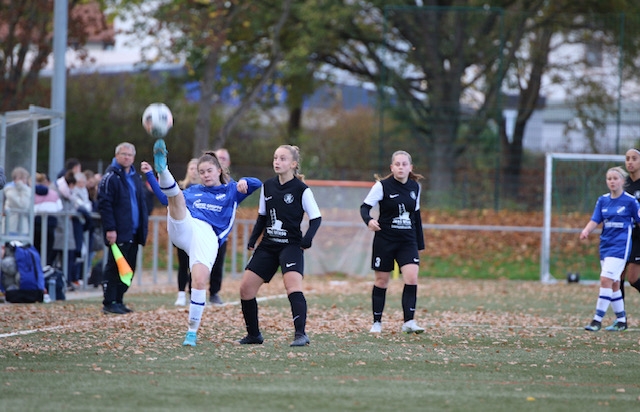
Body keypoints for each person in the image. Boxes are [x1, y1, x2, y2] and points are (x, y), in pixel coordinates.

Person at [150, 139, 261, 346]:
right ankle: (163, 168)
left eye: (209, 171)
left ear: (219, 170)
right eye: (202, 172)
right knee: (176, 199)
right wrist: (152, 175)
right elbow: (166, 199)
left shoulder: (231, 190)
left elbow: (257, 184)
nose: (205, 175)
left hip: (208, 236)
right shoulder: (193, 191)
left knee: (199, 281)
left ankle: (191, 332)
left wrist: (245, 181)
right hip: (186, 227)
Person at [237, 145, 322, 347]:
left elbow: (316, 218)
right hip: (268, 245)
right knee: (246, 289)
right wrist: (253, 239)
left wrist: (307, 239)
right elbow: (262, 216)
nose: (277, 162)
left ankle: (300, 334)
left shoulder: (302, 189)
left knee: (292, 287)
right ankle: (254, 335)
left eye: (283, 158)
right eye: (275, 158)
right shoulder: (267, 186)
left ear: (293, 164)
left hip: (291, 246)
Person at [360, 150, 426, 334]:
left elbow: (416, 216)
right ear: (392, 167)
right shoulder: (382, 186)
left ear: (410, 167)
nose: (401, 167)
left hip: (407, 241)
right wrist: (369, 221)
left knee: (412, 277)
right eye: (397, 164)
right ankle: (377, 322)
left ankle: (409, 322)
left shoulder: (415, 187)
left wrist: (419, 244)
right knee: (381, 281)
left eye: (404, 164)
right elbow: (364, 208)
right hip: (385, 240)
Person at [581, 166, 640, 332]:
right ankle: (621, 321)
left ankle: (596, 320)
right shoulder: (602, 200)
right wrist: (586, 230)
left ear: (622, 181)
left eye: (615, 178)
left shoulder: (630, 201)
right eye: (609, 179)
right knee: (614, 284)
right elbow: (595, 219)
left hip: (621, 247)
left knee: (605, 279)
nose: (612, 181)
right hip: (605, 246)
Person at [97, 142, 149, 315]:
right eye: (123, 154)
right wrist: (110, 228)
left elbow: (141, 203)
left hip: (134, 231)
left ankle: (119, 300)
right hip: (119, 231)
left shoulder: (136, 177)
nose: (127, 157)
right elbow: (105, 205)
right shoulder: (110, 177)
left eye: (130, 155)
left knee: (129, 268)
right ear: (117, 155)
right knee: (114, 267)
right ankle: (109, 301)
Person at [174, 158, 199, 306]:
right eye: (192, 168)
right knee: (183, 264)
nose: (194, 172)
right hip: (184, 231)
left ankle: (192, 293)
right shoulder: (181, 187)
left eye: (197, 169)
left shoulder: (204, 189)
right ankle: (181, 294)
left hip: (197, 232)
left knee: (195, 265)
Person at [209, 148, 232, 305]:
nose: (221, 160)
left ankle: (214, 292)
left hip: (221, 232)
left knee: (218, 263)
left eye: (223, 158)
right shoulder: (206, 181)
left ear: (228, 162)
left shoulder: (231, 184)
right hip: (204, 229)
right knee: (199, 262)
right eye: (218, 158)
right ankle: (193, 291)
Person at [34, 172, 63, 266]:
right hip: (50, 224)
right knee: (48, 250)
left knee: (36, 248)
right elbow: (59, 208)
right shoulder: (53, 193)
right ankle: (45, 268)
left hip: (36, 223)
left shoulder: (32, 193)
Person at [4, 166, 31, 236]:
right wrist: (23, 188)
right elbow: (23, 205)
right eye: (21, 178)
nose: (24, 181)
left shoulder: (26, 190)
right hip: (11, 227)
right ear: (15, 179)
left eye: (25, 178)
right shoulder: (10, 190)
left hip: (24, 227)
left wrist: (24, 189)